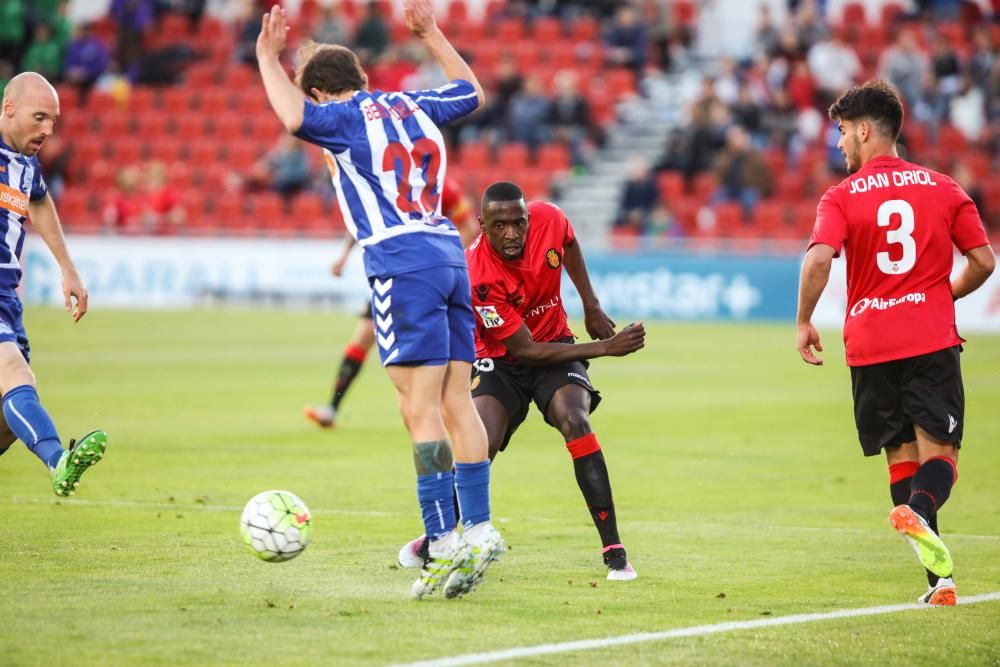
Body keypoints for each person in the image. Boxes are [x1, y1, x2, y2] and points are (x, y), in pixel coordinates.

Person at [256, 1, 503, 600]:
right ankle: (479, 529)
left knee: (415, 407)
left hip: (400, 259)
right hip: (448, 252)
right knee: (453, 401)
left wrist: (267, 56)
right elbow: (472, 91)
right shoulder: (414, 103)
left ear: (320, 90)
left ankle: (442, 544)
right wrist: (432, 34)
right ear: (362, 80)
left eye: (308, 92)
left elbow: (293, 120)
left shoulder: (337, 117)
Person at [796, 79, 995, 606]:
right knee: (941, 457)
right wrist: (941, 297)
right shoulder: (945, 187)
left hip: (870, 346)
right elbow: (983, 262)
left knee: (901, 461)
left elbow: (818, 259)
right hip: (928, 339)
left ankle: (940, 583)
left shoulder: (840, 196)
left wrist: (803, 321)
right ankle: (923, 516)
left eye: (841, 132)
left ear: (865, 130)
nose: (839, 143)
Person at [399, 181, 647, 581]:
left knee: (575, 419)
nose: (512, 233)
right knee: (483, 438)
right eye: (500, 226)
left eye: (519, 223)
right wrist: (605, 348)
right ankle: (436, 537)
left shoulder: (550, 218)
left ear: (529, 218)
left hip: (555, 345)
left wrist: (591, 304)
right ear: (483, 225)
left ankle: (614, 549)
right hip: (501, 360)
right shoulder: (476, 272)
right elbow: (525, 350)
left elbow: (568, 245)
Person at [0, 72, 108, 495]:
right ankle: (59, 462)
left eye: (53, 121)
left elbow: (40, 201)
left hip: (7, 298)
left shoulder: (24, 165)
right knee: (14, 373)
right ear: (8, 108)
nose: (47, 130)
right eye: (39, 117)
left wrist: (68, 268)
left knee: (8, 422)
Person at [305, 176, 477, 429]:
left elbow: (470, 227)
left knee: (435, 349)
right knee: (364, 337)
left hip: (424, 276)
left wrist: (442, 257)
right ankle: (332, 407)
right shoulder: (389, 179)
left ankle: (444, 411)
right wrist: (343, 256)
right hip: (395, 273)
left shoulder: (442, 185)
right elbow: (362, 221)